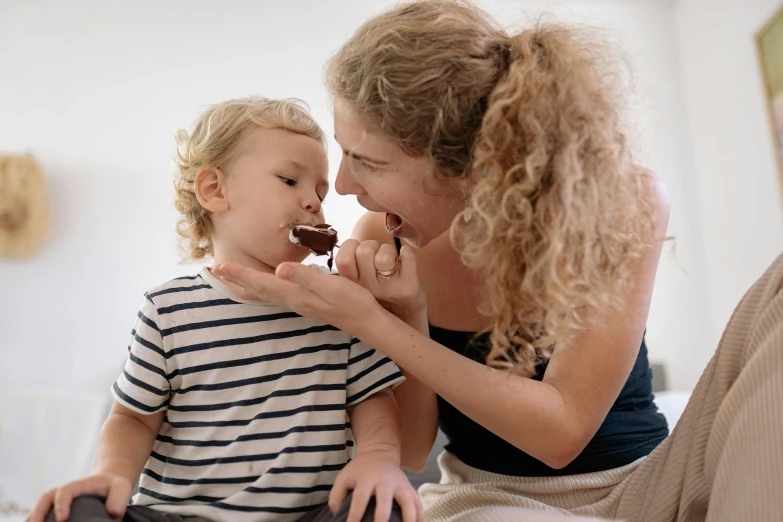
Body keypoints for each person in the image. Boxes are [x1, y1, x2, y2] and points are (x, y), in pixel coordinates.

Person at [211, 2, 783, 521]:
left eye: (369, 162)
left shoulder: (616, 202)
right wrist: (403, 315)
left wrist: (370, 321)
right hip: (491, 500)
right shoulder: (383, 244)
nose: (342, 183)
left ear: (465, 165)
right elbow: (411, 449)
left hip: (652, 483)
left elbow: (561, 432)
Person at [26, 97, 422, 522]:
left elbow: (374, 399)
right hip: (179, 516)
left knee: (384, 508)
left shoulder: (338, 302)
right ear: (214, 190)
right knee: (71, 511)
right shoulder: (167, 310)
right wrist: (110, 476)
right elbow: (134, 418)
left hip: (306, 516)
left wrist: (379, 458)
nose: (313, 203)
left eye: (320, 193)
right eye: (290, 180)